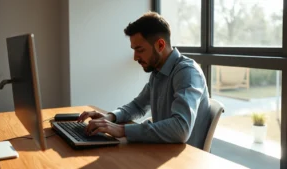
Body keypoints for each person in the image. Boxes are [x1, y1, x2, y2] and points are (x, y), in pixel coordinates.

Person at [77, 11, 210, 148]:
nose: (135, 57)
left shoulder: (187, 72)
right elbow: (138, 106)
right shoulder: (158, 71)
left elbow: (180, 129)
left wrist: (121, 130)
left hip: (185, 160)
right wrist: (110, 117)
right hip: (162, 150)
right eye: (134, 50)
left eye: (140, 50)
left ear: (160, 45)